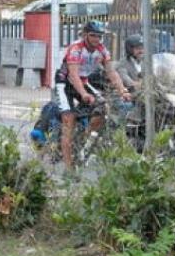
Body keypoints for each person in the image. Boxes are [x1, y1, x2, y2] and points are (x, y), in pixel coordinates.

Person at [54, 20, 131, 168]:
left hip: (84, 82)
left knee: (102, 110)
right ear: (85, 35)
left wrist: (123, 90)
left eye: (99, 36)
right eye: (93, 35)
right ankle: (69, 168)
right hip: (66, 83)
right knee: (69, 120)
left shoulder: (102, 50)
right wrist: (83, 94)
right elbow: (74, 75)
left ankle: (83, 140)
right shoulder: (76, 49)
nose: (96, 39)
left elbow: (111, 72)